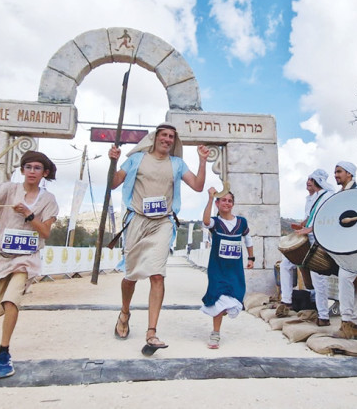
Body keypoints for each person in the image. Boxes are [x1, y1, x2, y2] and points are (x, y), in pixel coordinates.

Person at [108, 123, 208, 356]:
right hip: (137, 220)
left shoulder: (177, 164)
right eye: (163, 135)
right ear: (155, 138)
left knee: (157, 274)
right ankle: (124, 313)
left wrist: (202, 161)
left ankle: (151, 332)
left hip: (163, 222)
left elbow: (198, 185)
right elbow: (113, 183)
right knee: (130, 276)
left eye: (171, 136)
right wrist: (113, 161)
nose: (167, 139)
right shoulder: (136, 160)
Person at [0, 150, 59, 379]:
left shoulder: (49, 200)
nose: (32, 172)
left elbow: (45, 232)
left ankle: (3, 352)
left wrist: (28, 213)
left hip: (26, 258)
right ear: (22, 170)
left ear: (44, 173)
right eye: (28, 167)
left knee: (11, 299)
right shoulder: (8, 189)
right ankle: (4, 335)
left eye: (37, 168)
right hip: (2, 256)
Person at [278, 169, 335, 326]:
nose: (308, 181)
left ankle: (323, 316)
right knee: (285, 264)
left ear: (319, 180)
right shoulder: (311, 198)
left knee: (319, 277)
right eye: (308, 179)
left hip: (319, 241)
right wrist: (303, 224)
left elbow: (326, 218)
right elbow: (311, 217)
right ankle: (286, 300)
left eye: (312, 179)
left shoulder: (327, 196)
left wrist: (309, 229)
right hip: (307, 239)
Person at [200, 187, 254, 349]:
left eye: (230, 200)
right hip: (218, 268)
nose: (227, 203)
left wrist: (251, 258)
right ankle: (215, 334)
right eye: (223, 200)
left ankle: (221, 313)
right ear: (217, 203)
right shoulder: (216, 223)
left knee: (235, 295)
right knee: (217, 298)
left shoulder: (241, 222)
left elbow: (248, 239)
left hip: (234, 270)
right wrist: (210, 198)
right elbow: (206, 222)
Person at [329, 161, 357, 340]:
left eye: (339, 172)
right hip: (346, 246)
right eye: (335, 172)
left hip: (356, 246)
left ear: (349, 174)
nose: (336, 175)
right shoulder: (342, 194)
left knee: (346, 280)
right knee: (354, 286)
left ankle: (346, 324)